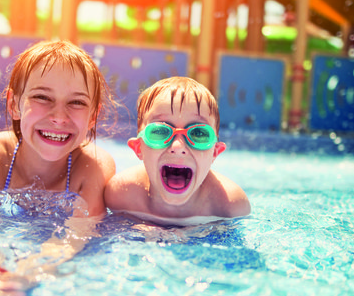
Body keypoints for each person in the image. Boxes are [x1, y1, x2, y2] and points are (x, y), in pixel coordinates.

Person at [0, 40, 116, 296]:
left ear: (92, 117)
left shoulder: (92, 167)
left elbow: (76, 236)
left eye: (76, 102)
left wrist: (29, 273)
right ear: (14, 104)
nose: (59, 116)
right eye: (42, 97)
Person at [104, 77, 250, 227]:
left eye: (198, 133)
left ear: (215, 152)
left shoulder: (230, 207)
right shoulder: (120, 196)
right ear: (139, 148)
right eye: (160, 131)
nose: (178, 146)